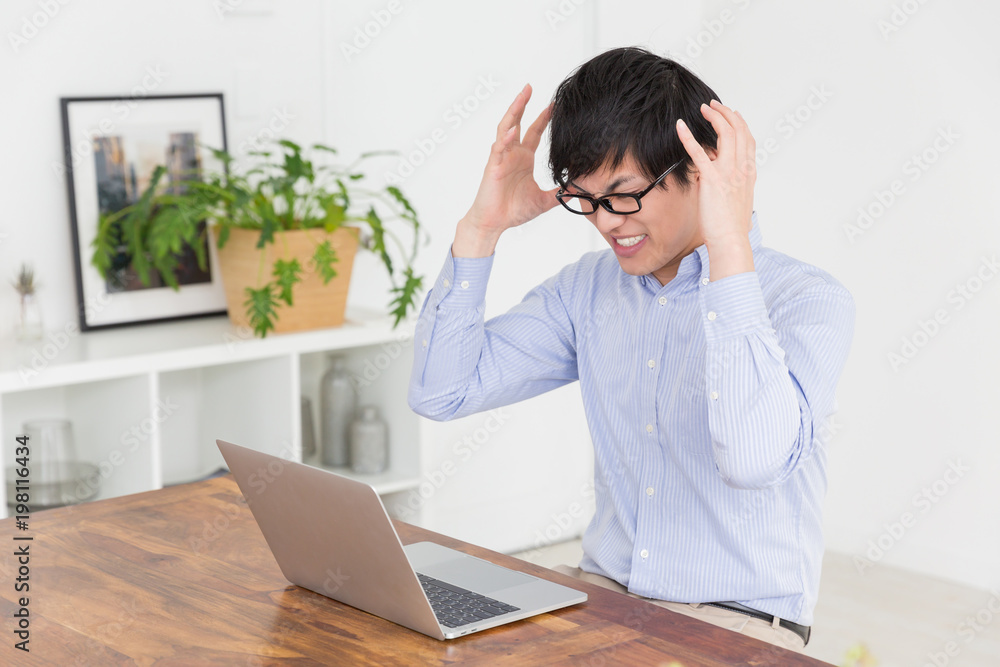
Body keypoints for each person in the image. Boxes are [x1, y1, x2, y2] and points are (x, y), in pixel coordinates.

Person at [407, 46, 855, 652]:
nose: (607, 223)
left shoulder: (806, 299)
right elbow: (441, 393)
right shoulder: (587, 289)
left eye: (623, 195)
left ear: (701, 167)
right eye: (586, 200)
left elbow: (753, 460)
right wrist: (479, 228)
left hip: (737, 623)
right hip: (600, 597)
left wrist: (728, 244)